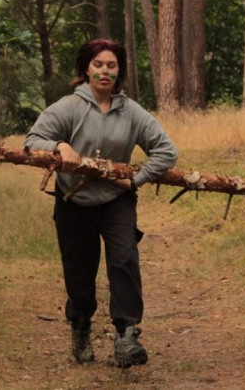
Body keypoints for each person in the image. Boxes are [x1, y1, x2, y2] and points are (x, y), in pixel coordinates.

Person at [24, 38, 178, 368]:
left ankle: (127, 335)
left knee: (124, 258)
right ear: (86, 69)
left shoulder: (132, 112)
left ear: (119, 70)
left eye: (111, 65)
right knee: (80, 274)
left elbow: (166, 152)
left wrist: (135, 179)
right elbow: (31, 142)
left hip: (116, 200)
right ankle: (80, 326)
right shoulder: (68, 107)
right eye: (98, 65)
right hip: (73, 200)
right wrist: (59, 145)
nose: (104, 71)